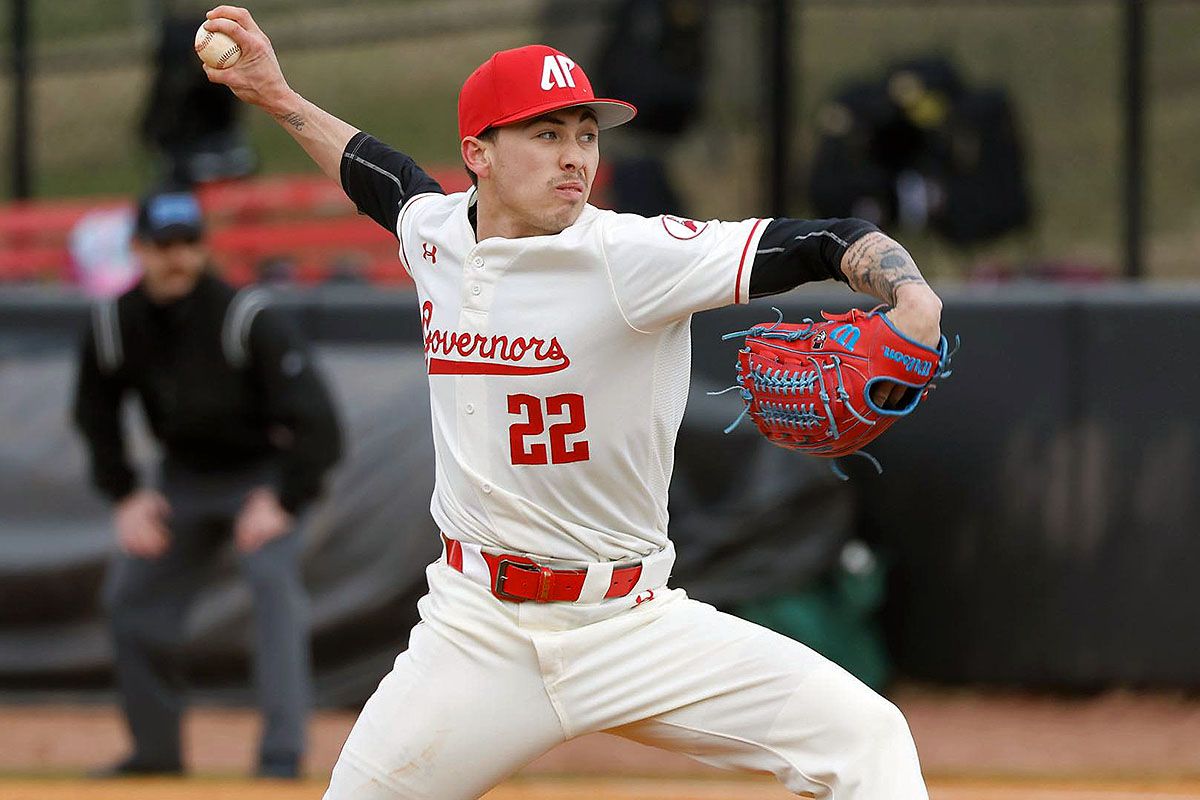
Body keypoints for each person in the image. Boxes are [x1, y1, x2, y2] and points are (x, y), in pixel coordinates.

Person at [200, 6, 942, 798]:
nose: (575, 158)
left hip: (631, 622)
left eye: (585, 135)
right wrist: (276, 95)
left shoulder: (632, 255)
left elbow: (814, 241)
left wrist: (910, 294)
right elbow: (376, 173)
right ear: (477, 154)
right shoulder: (438, 234)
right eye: (546, 134)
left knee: (867, 740)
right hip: (476, 628)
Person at [73, 186, 342, 779]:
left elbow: (321, 424)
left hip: (262, 479)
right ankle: (155, 756)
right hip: (183, 481)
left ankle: (280, 760)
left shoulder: (247, 315)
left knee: (273, 589)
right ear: (138, 248)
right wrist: (126, 495)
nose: (177, 257)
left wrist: (283, 499)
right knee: (130, 600)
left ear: (204, 246)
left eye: (189, 242)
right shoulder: (116, 323)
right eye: (163, 244)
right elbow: (95, 416)